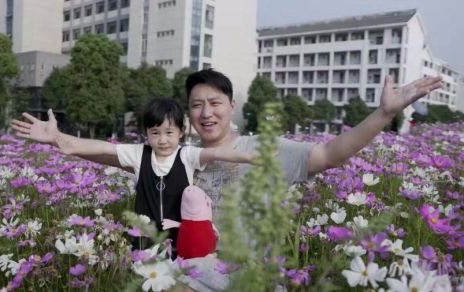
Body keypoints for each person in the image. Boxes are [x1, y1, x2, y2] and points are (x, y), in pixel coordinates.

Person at [11, 98, 254, 257]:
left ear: (181, 132)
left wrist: (250, 157)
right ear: (146, 133)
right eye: (155, 132)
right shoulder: (139, 154)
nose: (162, 139)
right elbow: (102, 147)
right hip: (143, 240)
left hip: (180, 239)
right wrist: (58, 138)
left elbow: (217, 152)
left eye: (169, 132)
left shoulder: (188, 155)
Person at [185, 69, 442, 215]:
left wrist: (384, 114)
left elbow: (330, 154)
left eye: (215, 103)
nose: (206, 114)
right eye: (197, 105)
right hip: (186, 264)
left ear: (231, 107)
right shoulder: (180, 156)